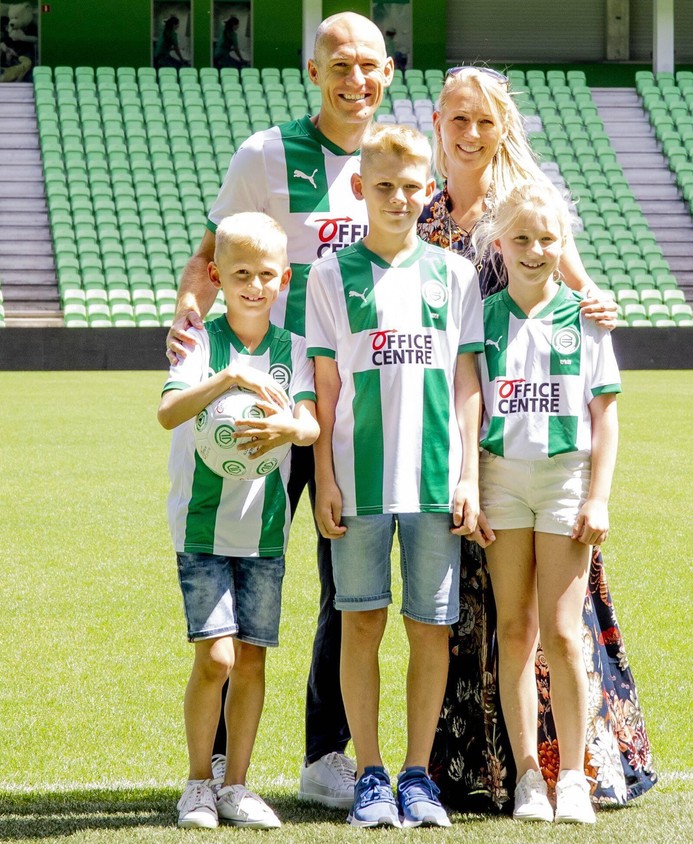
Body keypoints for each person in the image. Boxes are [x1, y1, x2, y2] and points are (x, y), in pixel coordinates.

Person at [169, 11, 394, 812]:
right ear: (313, 70)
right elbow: (208, 256)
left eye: (370, 64)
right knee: (238, 569)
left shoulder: (391, 165)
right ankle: (217, 774)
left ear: (388, 74)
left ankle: (323, 755)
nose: (355, 77)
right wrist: (188, 319)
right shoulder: (265, 155)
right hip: (267, 402)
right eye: (340, 62)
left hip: (356, 408)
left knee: (346, 583)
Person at [419, 65, 656, 811]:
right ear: (438, 123)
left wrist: (596, 301)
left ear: (503, 125)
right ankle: (500, 771)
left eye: (485, 119)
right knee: (491, 619)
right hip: (471, 446)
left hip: (549, 455)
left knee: (560, 626)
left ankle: (574, 768)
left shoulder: (529, 206)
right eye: (459, 118)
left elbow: (576, 289)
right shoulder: (420, 217)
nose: (471, 131)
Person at [305, 123, 482, 829]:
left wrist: (467, 474)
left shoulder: (455, 275)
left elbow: (467, 381)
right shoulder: (329, 275)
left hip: (437, 483)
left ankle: (417, 774)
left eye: (412, 188)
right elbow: (322, 391)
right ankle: (370, 773)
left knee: (430, 629)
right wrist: (323, 475)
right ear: (359, 190)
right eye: (384, 187)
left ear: (427, 191)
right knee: (360, 623)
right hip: (358, 481)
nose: (399, 199)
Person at [158, 212, 320, 830]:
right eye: (241, 273)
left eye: (266, 275)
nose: (254, 285)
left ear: (283, 280)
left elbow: (308, 423)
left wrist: (289, 427)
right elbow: (170, 413)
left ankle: (236, 786)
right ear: (218, 277)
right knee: (217, 658)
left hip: (265, 530)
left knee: (251, 658)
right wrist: (229, 377)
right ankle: (197, 783)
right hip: (202, 524)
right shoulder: (198, 343)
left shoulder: (295, 351)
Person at [468, 182, 620, 824]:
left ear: (565, 245)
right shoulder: (481, 316)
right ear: (499, 243)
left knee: (562, 634)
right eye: (522, 239)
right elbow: (466, 404)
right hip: (502, 481)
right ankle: (528, 774)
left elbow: (606, 417)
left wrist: (599, 498)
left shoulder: (585, 318)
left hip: (564, 483)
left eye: (548, 239)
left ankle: (575, 778)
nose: (535, 250)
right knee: (513, 630)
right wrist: (470, 487)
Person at [0, 2, 39, 83]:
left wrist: (24, 38)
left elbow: (36, 39)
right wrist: (6, 49)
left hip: (25, 53)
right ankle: (9, 69)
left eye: (16, 18)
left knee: (27, 62)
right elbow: (5, 41)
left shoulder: (31, 28)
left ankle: (12, 73)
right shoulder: (10, 30)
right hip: (12, 54)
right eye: (11, 18)